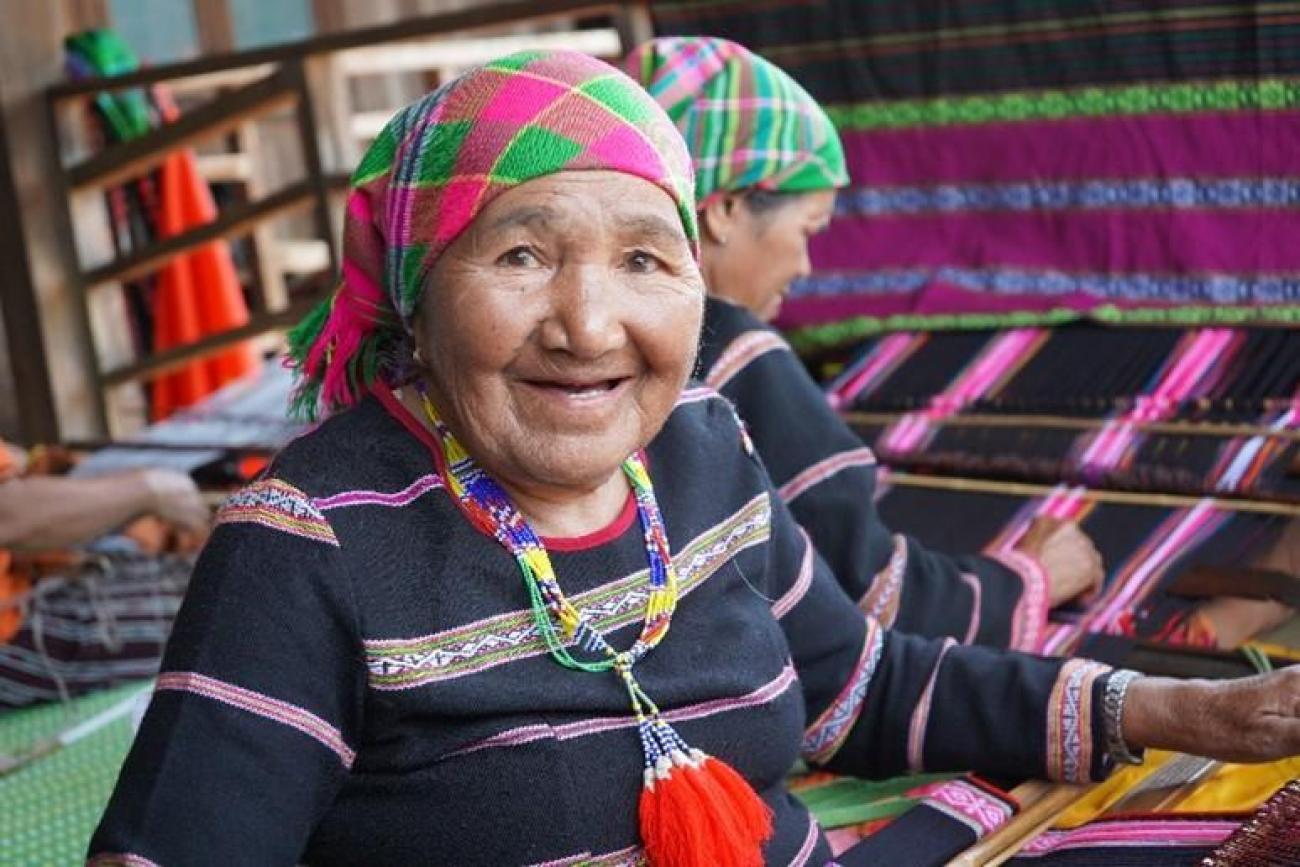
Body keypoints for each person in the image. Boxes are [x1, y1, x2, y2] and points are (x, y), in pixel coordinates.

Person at [89, 51, 1300, 867]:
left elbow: (855, 687)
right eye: (519, 256)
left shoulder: (704, 450)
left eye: (643, 260)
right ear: (417, 293)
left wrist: (1179, 708)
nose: (588, 325)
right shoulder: (309, 544)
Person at [626, 36, 1293, 651]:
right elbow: (871, 598)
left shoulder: (602, 350)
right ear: (725, 210)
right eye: (807, 229)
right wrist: (1029, 577)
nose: (806, 268)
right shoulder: (730, 349)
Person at [0, 442, 208, 705]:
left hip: (23, 587)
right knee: (206, 624)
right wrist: (149, 490)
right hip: (12, 630)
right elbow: (6, 515)